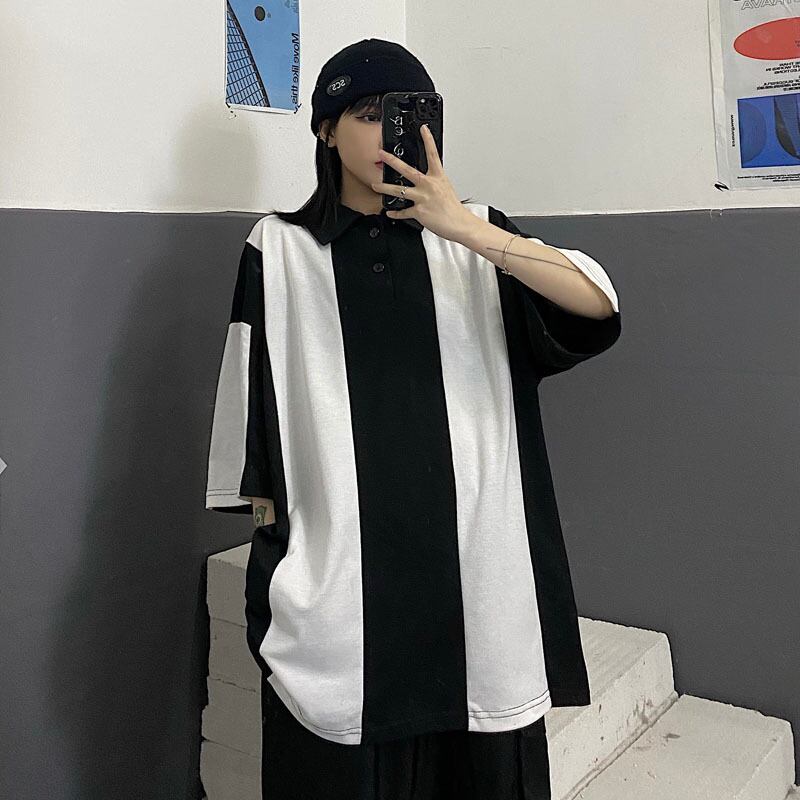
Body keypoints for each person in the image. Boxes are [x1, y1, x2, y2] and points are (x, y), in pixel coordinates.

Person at [205, 37, 622, 800]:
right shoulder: (280, 249)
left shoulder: (478, 239)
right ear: (326, 129)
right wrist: (282, 566)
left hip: (482, 602)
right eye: (367, 113)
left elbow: (598, 306)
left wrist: (466, 229)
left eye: (411, 113)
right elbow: (251, 421)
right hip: (341, 610)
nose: (389, 132)